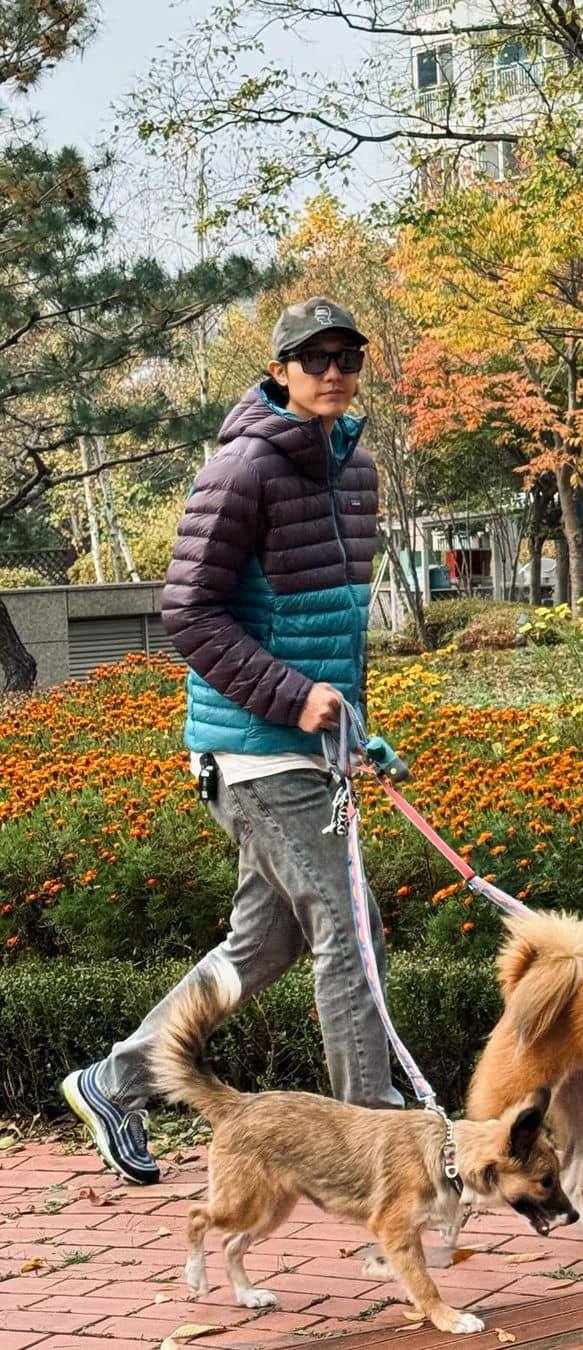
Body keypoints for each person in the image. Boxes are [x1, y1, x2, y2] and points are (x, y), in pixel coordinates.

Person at [62, 297, 403, 1185]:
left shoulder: (354, 469)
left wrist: (355, 727)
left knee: (267, 946)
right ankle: (375, 1148)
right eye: (314, 357)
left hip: (308, 745)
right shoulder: (240, 470)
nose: (334, 371)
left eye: (347, 356)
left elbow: (332, 629)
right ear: (279, 368)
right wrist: (293, 700)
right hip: (251, 749)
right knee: (350, 928)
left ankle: (116, 1080)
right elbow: (188, 614)